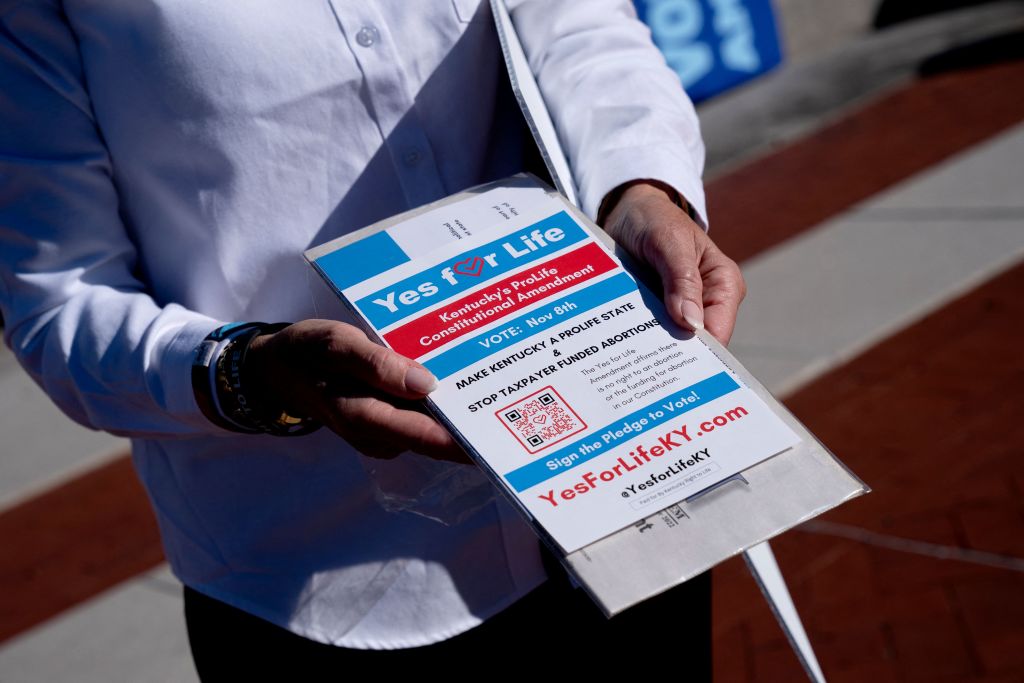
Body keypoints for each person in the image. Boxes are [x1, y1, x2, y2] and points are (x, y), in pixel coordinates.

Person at [0, 0, 745, 678]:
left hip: (623, 472)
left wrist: (642, 186)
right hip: (327, 576)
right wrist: (251, 371)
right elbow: (55, 297)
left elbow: (582, 26)